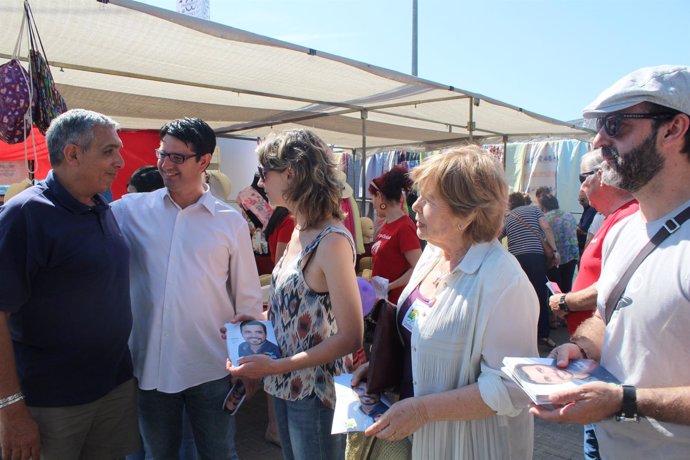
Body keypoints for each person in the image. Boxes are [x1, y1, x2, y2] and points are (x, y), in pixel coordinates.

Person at [531, 65, 690, 459]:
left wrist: (624, 401)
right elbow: (606, 317)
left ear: (673, 129)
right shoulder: (624, 227)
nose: (599, 139)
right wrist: (581, 349)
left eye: (615, 125)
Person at [360, 146, 539, 459]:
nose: (415, 205)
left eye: (429, 199)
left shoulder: (504, 281)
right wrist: (380, 368)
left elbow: (513, 388)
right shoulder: (432, 254)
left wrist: (424, 411)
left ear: (467, 215)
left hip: (468, 447)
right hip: (414, 437)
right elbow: (417, 335)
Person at [111, 117, 263, 460]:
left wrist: (250, 363)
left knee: (218, 453)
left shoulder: (230, 221)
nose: (165, 164)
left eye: (177, 157)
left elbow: (248, 298)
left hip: (211, 367)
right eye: (162, 154)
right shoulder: (130, 211)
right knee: (157, 454)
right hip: (150, 365)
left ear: (204, 161)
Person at [0, 109, 140, 459]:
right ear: (73, 154)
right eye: (109, 151)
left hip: (113, 387)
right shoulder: (26, 215)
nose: (120, 161)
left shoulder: (101, 205)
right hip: (52, 402)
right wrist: (11, 408)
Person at [227, 128, 363, 460]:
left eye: (264, 172)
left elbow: (352, 337)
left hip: (314, 394)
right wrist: (257, 321)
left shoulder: (331, 241)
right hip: (289, 387)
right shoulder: (300, 231)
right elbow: (300, 309)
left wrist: (275, 367)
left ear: (291, 173)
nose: (260, 183)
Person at [501, 192, 560, 348]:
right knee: (539, 295)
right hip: (535, 257)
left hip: (516, 260)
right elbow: (546, 227)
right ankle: (543, 335)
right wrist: (554, 250)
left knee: (519, 297)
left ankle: (520, 335)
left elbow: (499, 235)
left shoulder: (509, 217)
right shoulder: (534, 210)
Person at [368, 165, 422, 303]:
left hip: (393, 304)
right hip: (381, 300)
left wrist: (389, 287)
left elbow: (418, 267)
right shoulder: (388, 224)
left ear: (380, 197)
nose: (373, 204)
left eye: (373, 198)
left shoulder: (404, 227)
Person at [538, 193, 579, 294]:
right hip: (572, 255)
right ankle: (568, 306)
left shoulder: (545, 219)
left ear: (543, 206)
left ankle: (557, 307)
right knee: (567, 285)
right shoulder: (569, 215)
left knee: (555, 288)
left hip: (554, 257)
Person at [577, 190, 598, 256]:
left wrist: (571, 226)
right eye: (579, 200)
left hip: (585, 246)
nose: (580, 203)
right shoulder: (587, 209)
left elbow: (583, 229)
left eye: (582, 200)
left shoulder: (591, 210)